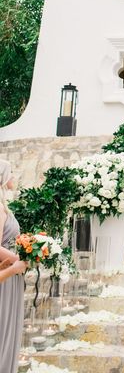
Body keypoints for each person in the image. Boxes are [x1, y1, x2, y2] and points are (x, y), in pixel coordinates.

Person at [0, 159, 25, 373]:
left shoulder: (4, 206)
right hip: (5, 275)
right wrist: (20, 260)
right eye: (12, 172)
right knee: (4, 326)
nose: (14, 177)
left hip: (10, 271)